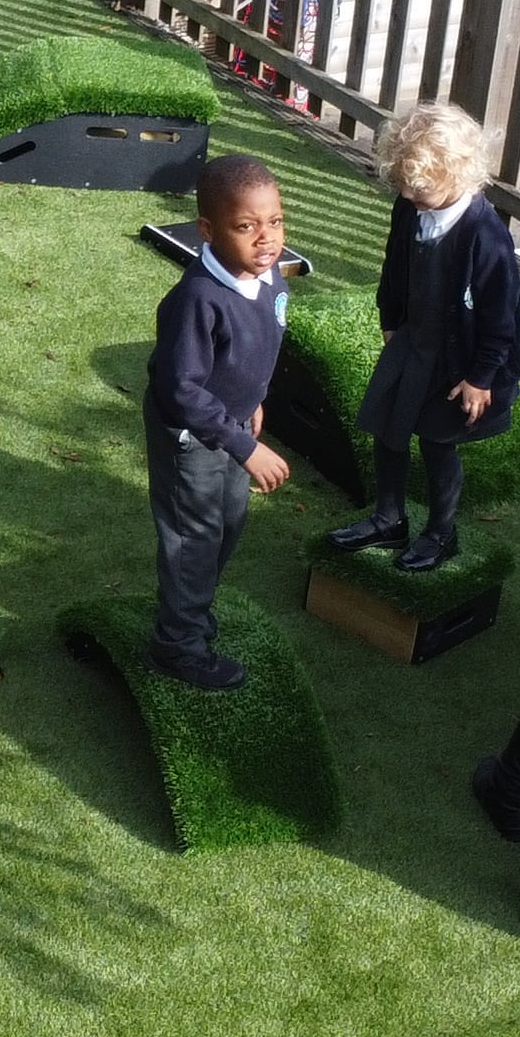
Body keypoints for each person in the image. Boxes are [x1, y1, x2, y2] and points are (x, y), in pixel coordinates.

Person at [321, 101, 520, 574]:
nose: (410, 194)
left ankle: (440, 532)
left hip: (460, 363)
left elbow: (501, 320)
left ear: (459, 174)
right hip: (414, 341)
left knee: (436, 441)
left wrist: (481, 378)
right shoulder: (409, 208)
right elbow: (395, 267)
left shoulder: (486, 238)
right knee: (389, 427)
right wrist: (390, 318)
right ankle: (388, 518)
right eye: (403, 185)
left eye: (421, 187)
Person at [143, 154, 293, 691]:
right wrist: (244, 445)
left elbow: (256, 348)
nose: (266, 239)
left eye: (274, 221)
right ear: (207, 231)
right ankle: (177, 646)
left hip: (232, 424)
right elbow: (179, 389)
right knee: (195, 534)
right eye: (246, 226)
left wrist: (253, 400)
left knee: (229, 521)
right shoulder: (197, 301)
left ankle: (193, 613)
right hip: (192, 436)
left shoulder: (268, 272)